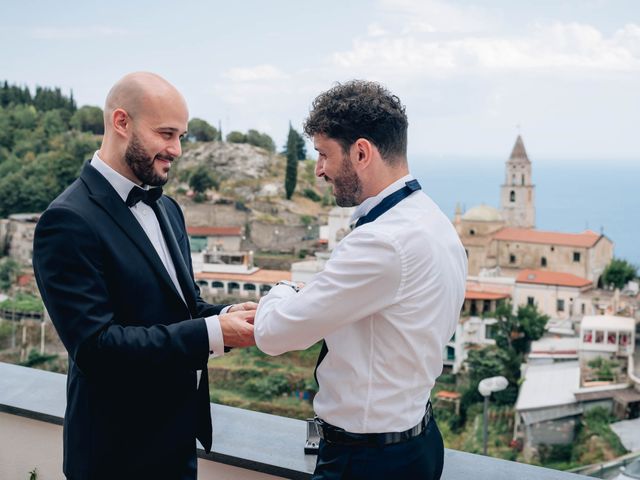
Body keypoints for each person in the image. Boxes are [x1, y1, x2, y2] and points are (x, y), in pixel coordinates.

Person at [33, 72, 256, 480]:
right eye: (167, 133)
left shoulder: (168, 208)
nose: (177, 149)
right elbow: (97, 348)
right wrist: (214, 332)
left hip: (176, 445)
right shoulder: (66, 220)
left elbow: (179, 306)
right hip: (115, 457)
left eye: (182, 136)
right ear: (122, 123)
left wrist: (228, 313)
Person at [254, 80, 467, 480]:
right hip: (418, 443)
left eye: (323, 154)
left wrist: (283, 290)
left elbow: (274, 334)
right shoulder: (434, 222)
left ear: (362, 152)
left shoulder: (382, 242)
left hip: (366, 461)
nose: (319, 170)